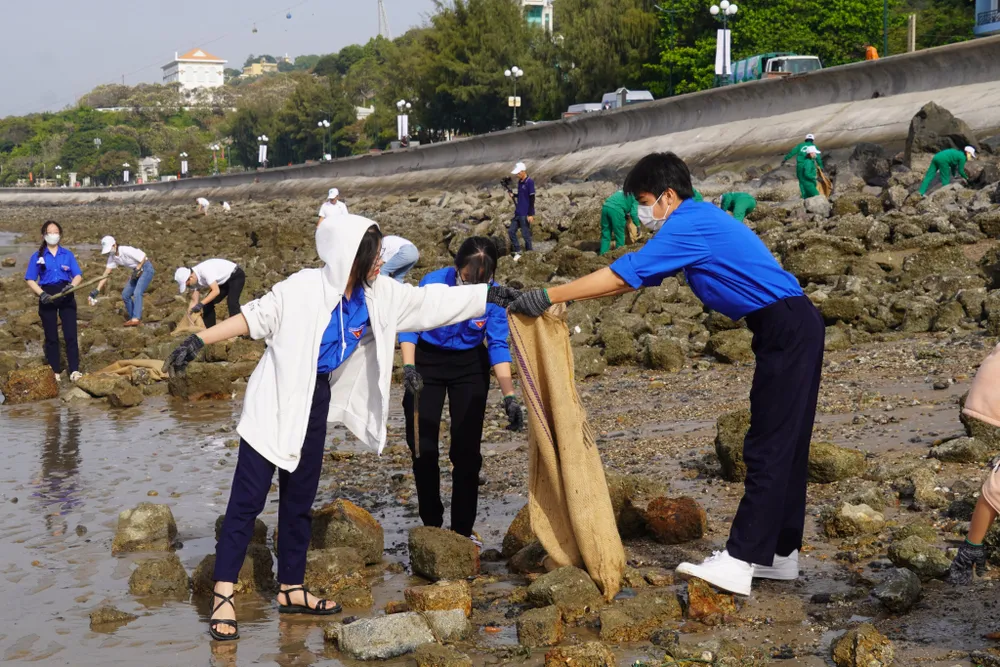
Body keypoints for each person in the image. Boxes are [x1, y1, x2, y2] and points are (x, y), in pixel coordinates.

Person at [161, 215, 520, 640]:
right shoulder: (303, 289)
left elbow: (429, 304)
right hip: (276, 398)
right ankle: (223, 594)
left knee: (300, 498)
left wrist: (489, 293)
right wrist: (198, 340)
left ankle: (291, 587)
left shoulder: (378, 294)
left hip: (316, 398)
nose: (381, 260)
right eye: (375, 253)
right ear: (351, 255)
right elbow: (255, 316)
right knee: (247, 501)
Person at [507, 152, 823, 597]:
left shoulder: (688, 223)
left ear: (668, 196)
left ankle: (739, 559)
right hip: (790, 324)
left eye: (644, 200)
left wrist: (548, 295)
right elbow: (638, 273)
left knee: (769, 444)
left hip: (787, 327)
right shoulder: (698, 220)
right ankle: (777, 555)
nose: (642, 210)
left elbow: (624, 277)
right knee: (786, 442)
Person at [399, 238, 524, 545]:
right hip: (427, 360)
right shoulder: (434, 282)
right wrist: (409, 367)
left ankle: (462, 532)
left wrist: (510, 397)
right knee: (422, 446)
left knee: (466, 454)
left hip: (469, 365)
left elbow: (496, 344)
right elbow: (409, 324)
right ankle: (431, 523)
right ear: (457, 268)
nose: (473, 284)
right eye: (468, 277)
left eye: (482, 279)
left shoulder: (494, 295)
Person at [24, 221, 83, 383]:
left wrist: (71, 286)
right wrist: (41, 294)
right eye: (50, 232)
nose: (53, 235)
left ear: (60, 234)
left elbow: (78, 275)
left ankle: (75, 370)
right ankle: (55, 371)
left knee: (70, 334)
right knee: (51, 337)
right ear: (44, 235)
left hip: (66, 293)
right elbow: (30, 279)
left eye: (56, 231)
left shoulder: (67, 255)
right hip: (47, 295)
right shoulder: (37, 256)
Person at [93, 236, 154, 327]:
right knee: (125, 295)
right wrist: (97, 290)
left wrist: (138, 268)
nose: (109, 252)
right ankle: (133, 317)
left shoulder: (125, 250)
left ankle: (136, 318)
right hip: (136, 272)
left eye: (110, 249)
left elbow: (143, 256)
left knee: (137, 292)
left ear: (114, 245)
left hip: (146, 268)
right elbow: (105, 274)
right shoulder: (113, 257)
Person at [174, 259, 246, 328]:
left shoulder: (204, 271)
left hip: (235, 276)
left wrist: (201, 304)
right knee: (207, 304)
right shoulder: (194, 279)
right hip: (223, 282)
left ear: (191, 277)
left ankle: (240, 330)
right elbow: (194, 301)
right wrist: (189, 318)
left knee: (232, 302)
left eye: (187, 284)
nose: (188, 286)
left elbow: (216, 291)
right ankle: (211, 330)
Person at [782, 134, 824, 198]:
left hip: (800, 165)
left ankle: (804, 197)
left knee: (802, 182)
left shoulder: (800, 145)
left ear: (805, 139)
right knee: (809, 180)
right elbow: (818, 158)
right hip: (809, 163)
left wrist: (785, 159)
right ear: (812, 140)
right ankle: (812, 195)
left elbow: (792, 152)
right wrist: (821, 166)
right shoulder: (813, 146)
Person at [599, 191, 640, 255]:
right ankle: (618, 256)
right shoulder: (636, 196)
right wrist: (638, 225)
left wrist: (625, 214)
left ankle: (603, 254)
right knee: (619, 236)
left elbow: (621, 202)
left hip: (605, 207)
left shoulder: (623, 191)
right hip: (617, 210)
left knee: (606, 234)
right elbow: (633, 214)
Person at [508, 162, 535, 253]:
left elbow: (532, 198)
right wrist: (514, 195)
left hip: (525, 214)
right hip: (518, 213)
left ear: (523, 171)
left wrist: (530, 214)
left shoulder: (529, 182)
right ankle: (518, 250)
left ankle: (529, 253)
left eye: (518, 173)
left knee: (525, 235)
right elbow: (521, 195)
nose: (517, 175)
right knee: (511, 231)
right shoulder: (520, 182)